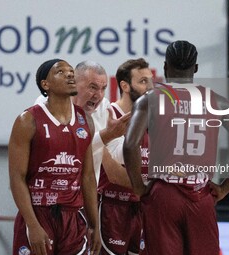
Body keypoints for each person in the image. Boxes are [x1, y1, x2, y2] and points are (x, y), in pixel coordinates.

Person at [123, 40, 229, 254]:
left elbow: (131, 144)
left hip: (165, 192)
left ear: (165, 66)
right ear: (195, 68)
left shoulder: (150, 99)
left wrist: (138, 188)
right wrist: (225, 188)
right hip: (201, 193)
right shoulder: (217, 101)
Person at [9, 59, 101, 255]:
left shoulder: (86, 121)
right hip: (39, 212)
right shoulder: (27, 120)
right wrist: (32, 225)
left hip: (73, 215)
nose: (69, 74)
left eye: (71, 71)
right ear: (45, 84)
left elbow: (87, 177)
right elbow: (17, 178)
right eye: (60, 72)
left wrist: (94, 224)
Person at [35, 60, 131, 186]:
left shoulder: (104, 107)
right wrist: (106, 135)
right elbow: (62, 149)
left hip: (87, 196)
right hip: (51, 192)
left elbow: (117, 153)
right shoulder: (47, 103)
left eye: (103, 89)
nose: (99, 95)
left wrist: (138, 142)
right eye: (93, 87)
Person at [97, 58, 153, 255]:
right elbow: (113, 173)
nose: (150, 87)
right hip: (113, 206)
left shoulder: (153, 119)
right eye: (143, 81)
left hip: (143, 207)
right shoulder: (107, 114)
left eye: (151, 81)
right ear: (125, 85)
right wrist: (155, 186)